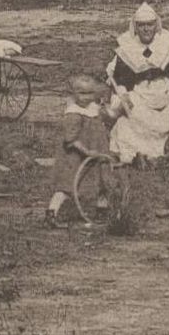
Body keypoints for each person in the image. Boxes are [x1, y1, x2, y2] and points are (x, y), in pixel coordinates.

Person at [107, 2, 169, 164]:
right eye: (142, 26)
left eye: (150, 24)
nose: (146, 29)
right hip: (141, 94)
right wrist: (123, 94)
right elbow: (120, 78)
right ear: (135, 27)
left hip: (165, 90)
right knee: (129, 113)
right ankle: (139, 154)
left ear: (156, 25)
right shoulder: (128, 46)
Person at [46, 74, 113, 228]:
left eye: (89, 93)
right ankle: (51, 212)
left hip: (98, 152)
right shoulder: (74, 113)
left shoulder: (94, 109)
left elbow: (109, 118)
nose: (86, 97)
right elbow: (71, 139)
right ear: (73, 94)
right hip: (76, 156)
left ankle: (102, 209)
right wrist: (88, 152)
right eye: (81, 93)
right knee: (67, 185)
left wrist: (114, 109)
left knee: (102, 181)